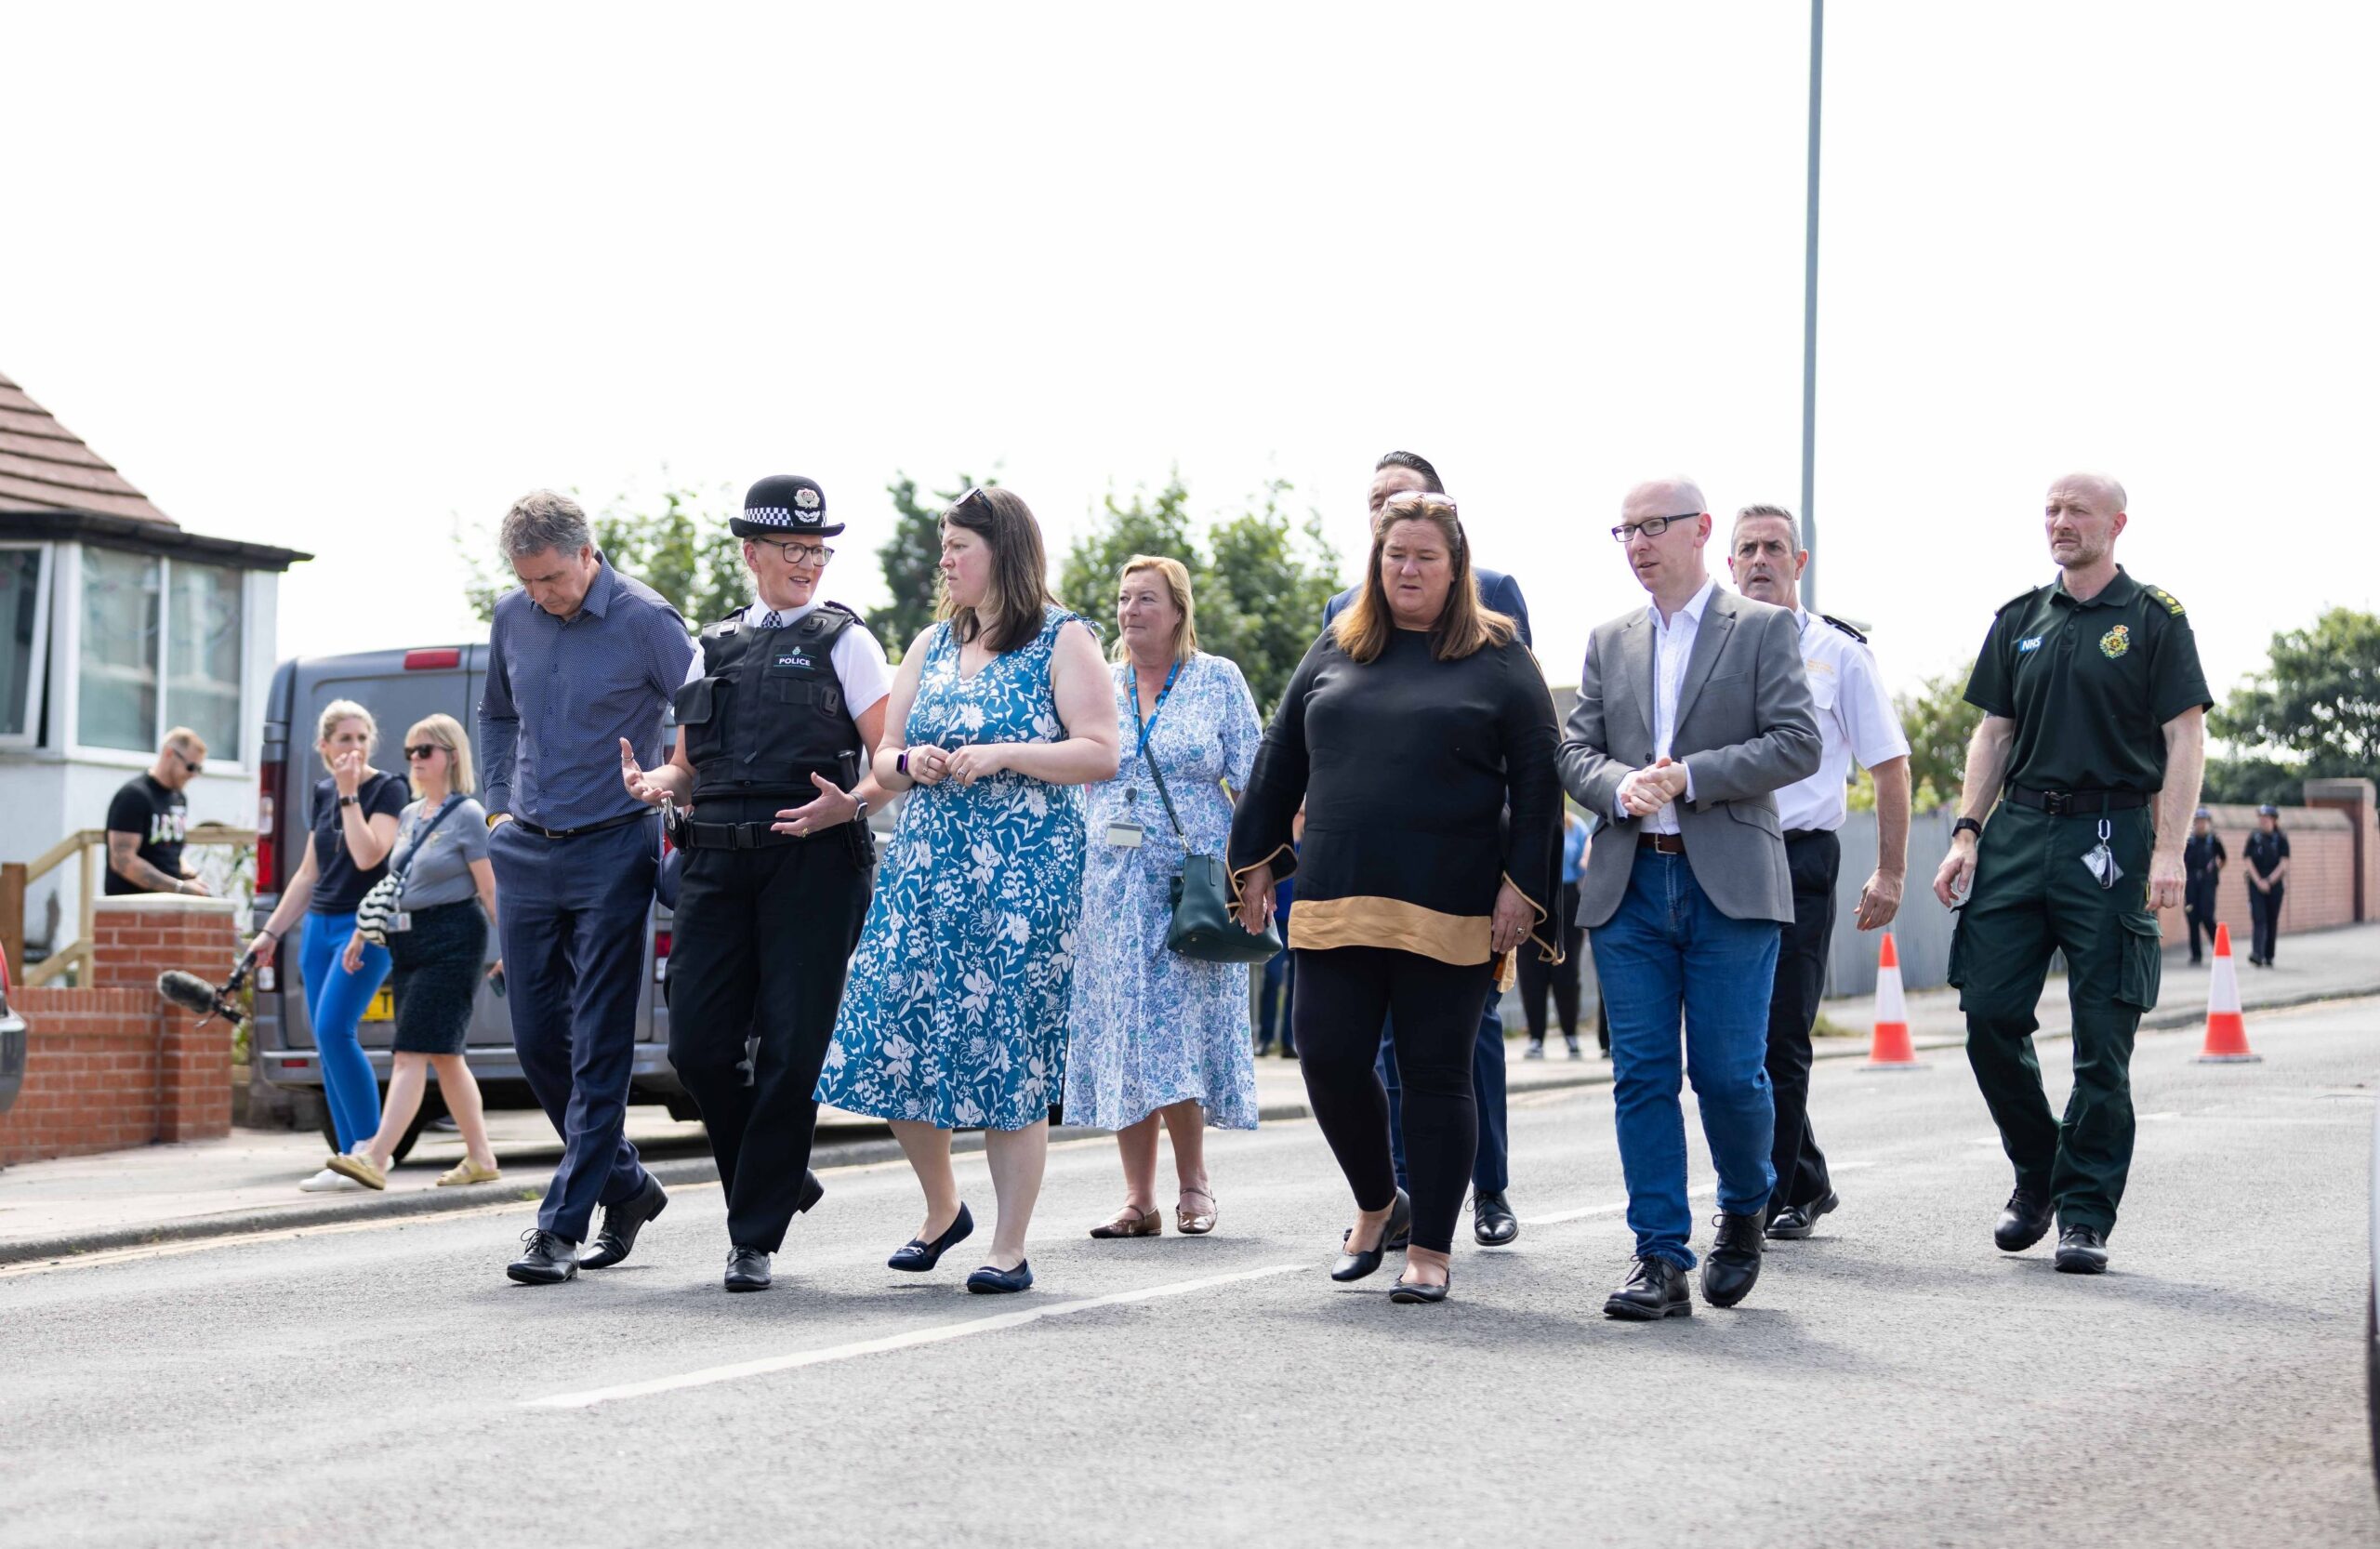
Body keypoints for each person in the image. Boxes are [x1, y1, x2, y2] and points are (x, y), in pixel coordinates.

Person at [1231, 490, 1561, 1305]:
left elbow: (1541, 782)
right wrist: (1256, 864)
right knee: (1328, 1060)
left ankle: (1431, 1250)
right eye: (1395, 555)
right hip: (1336, 894)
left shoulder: (1500, 654)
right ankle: (1381, 1204)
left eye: (1425, 557)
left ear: (1457, 570)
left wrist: (1522, 888)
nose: (1408, 568)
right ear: (1376, 565)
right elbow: (1279, 759)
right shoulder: (1338, 645)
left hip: (1451, 905)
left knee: (1437, 1074)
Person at [817, 486, 1118, 1294]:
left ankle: (1009, 1247)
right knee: (892, 1036)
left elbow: (1099, 753)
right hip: (927, 872)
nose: (944, 561)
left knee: (1006, 1058)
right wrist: (910, 766)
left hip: (1024, 883)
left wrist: (1010, 752)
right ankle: (942, 1208)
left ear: (1004, 553)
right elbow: (882, 758)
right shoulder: (929, 644)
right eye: (944, 547)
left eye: (959, 547)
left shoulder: (1065, 638)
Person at [617, 475, 892, 1292]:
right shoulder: (715, 645)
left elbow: (886, 756)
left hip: (813, 861)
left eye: (818, 550)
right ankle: (779, 1175)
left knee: (790, 1049)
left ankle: (754, 1234)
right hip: (715, 862)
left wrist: (856, 802)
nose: (809, 564)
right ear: (752, 554)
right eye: (793, 549)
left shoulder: (850, 642)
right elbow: (688, 764)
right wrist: (659, 784)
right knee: (697, 1048)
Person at [1932, 473, 2209, 1276]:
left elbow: (2184, 739)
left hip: (2113, 834)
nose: (2060, 522)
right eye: (2051, 510)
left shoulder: (2154, 619)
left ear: (2116, 524)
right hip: (2019, 830)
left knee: (2102, 1043)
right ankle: (2038, 1172)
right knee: (1987, 1015)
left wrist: (2168, 848)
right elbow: (1993, 734)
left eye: (2076, 511)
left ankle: (2084, 1213)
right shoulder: (2020, 618)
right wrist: (1965, 834)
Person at [1556, 477, 1820, 1320]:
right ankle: (1659, 1256)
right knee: (1640, 1075)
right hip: (1631, 883)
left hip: (1730, 887)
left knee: (1729, 1076)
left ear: (1701, 530)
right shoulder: (1609, 640)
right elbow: (1572, 751)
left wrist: (1693, 776)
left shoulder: (1764, 628)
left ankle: (1745, 1206)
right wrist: (1618, 784)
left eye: (1653, 527)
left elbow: (1797, 742)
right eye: (1625, 530)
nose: (1637, 543)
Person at [478, 490, 695, 1286]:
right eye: (528, 581)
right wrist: (497, 806)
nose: (542, 594)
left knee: (599, 1042)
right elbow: (496, 715)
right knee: (538, 1044)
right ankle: (628, 1185)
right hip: (527, 849)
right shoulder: (512, 617)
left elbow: (702, 715)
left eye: (552, 578)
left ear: (586, 554)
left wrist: (674, 783)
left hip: (615, 845)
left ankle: (559, 1228)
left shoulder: (647, 619)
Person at [1321, 450, 1532, 1248]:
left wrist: (1510, 860)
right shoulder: (1344, 608)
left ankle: (1489, 1190)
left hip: (1459, 860)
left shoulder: (1494, 595)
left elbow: (1517, 732)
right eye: (1376, 501)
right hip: (1368, 867)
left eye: (1403, 498)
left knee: (1461, 1036)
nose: (1386, 509)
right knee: (1375, 1044)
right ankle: (1401, 1191)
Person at [1726, 502, 1912, 1241]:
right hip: (1724, 852)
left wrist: (1891, 871)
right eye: (1748, 549)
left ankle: (1769, 1191)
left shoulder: (1839, 654)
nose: (1762, 559)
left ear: (1800, 563)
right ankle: (1804, 1176)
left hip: (1799, 853)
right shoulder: (1711, 647)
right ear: (1729, 564)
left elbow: (1890, 767)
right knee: (1731, 1038)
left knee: (1780, 1032)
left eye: (1776, 547)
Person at [1065, 556, 1263, 1239]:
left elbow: (1255, 783)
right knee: (1123, 1031)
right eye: (1123, 599)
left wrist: (1253, 876)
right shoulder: (1100, 684)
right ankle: (1137, 1200)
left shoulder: (1217, 680)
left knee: (1176, 1032)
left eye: (1146, 599)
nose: (1130, 611)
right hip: (1111, 889)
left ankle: (1194, 1183)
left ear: (1177, 610)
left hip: (1190, 886)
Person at [324, 714, 504, 1191]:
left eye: (425, 751)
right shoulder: (407, 815)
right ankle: (481, 1156)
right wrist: (366, 929)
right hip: (408, 940)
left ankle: (376, 1158)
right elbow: (394, 881)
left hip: (452, 938)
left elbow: (490, 891)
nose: (415, 761)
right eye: (410, 752)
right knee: (445, 1056)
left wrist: (511, 948)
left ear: (451, 755)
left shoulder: (467, 814)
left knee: (409, 1053)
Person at [250, 702, 409, 1191]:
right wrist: (270, 933)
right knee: (324, 1039)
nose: (355, 748)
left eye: (362, 738)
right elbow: (307, 873)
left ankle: (369, 1150)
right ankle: (346, 1156)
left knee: (334, 1028)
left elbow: (368, 855)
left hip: (365, 928)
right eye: (344, 740)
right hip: (319, 926)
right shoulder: (324, 791)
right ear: (324, 747)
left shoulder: (389, 788)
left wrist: (349, 794)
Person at [1520, 811, 1591, 1059]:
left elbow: (1586, 864)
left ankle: (1571, 1036)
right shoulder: (1527, 818)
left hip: (1567, 897)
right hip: (1532, 896)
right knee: (1531, 973)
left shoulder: (1576, 825)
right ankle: (1536, 1039)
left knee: (1567, 972)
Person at [104, 729, 209, 896]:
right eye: (191, 767)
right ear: (169, 754)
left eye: (199, 769)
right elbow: (122, 860)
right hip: (135, 906)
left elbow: (167, 851)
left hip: (170, 903)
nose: (193, 775)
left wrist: (186, 871)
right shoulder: (134, 795)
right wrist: (179, 888)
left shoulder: (179, 798)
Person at [1255, 817, 1302, 1058]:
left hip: (1302, 920)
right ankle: (1264, 1037)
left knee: (1297, 983)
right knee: (1273, 978)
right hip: (1276, 920)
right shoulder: (1278, 842)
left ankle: (1289, 1040)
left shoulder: (1309, 842)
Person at [2243, 804, 2289, 967]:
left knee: (2271, 919)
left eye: (2266, 819)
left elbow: (2284, 863)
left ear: (2274, 820)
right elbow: (2248, 860)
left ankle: (2269, 954)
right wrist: (2259, 881)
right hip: (2256, 884)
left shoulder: (2281, 838)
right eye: (2261, 819)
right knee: (2259, 918)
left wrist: (2269, 881)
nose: (2263, 822)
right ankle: (2257, 953)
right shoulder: (2254, 838)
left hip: (2275, 885)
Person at [2183, 807, 2228, 965]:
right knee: (2192, 917)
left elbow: (2223, 859)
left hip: (2208, 883)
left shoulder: (2213, 840)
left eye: (2203, 821)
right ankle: (2196, 955)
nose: (2200, 825)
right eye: (2198, 822)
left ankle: (2220, 949)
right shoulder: (2189, 841)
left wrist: (2213, 871)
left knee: (2207, 915)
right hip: (2192, 882)